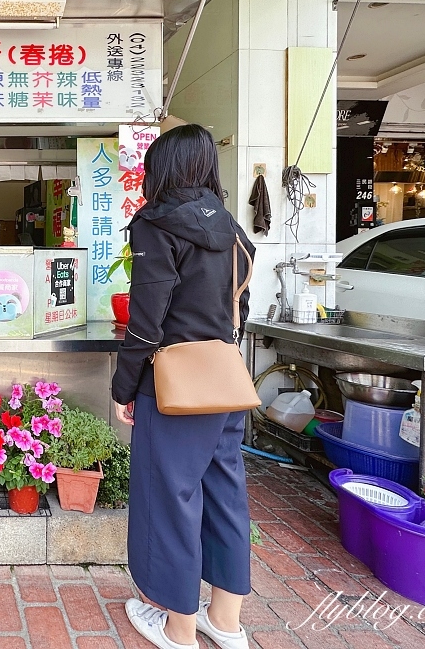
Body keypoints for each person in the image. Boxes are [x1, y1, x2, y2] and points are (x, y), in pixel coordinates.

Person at [111, 124, 256, 649]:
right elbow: (238, 307)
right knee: (225, 494)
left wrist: (124, 385)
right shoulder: (234, 231)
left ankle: (178, 628)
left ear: (163, 170)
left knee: (169, 499)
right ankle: (227, 621)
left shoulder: (156, 225)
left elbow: (147, 321)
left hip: (174, 387)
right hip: (225, 380)